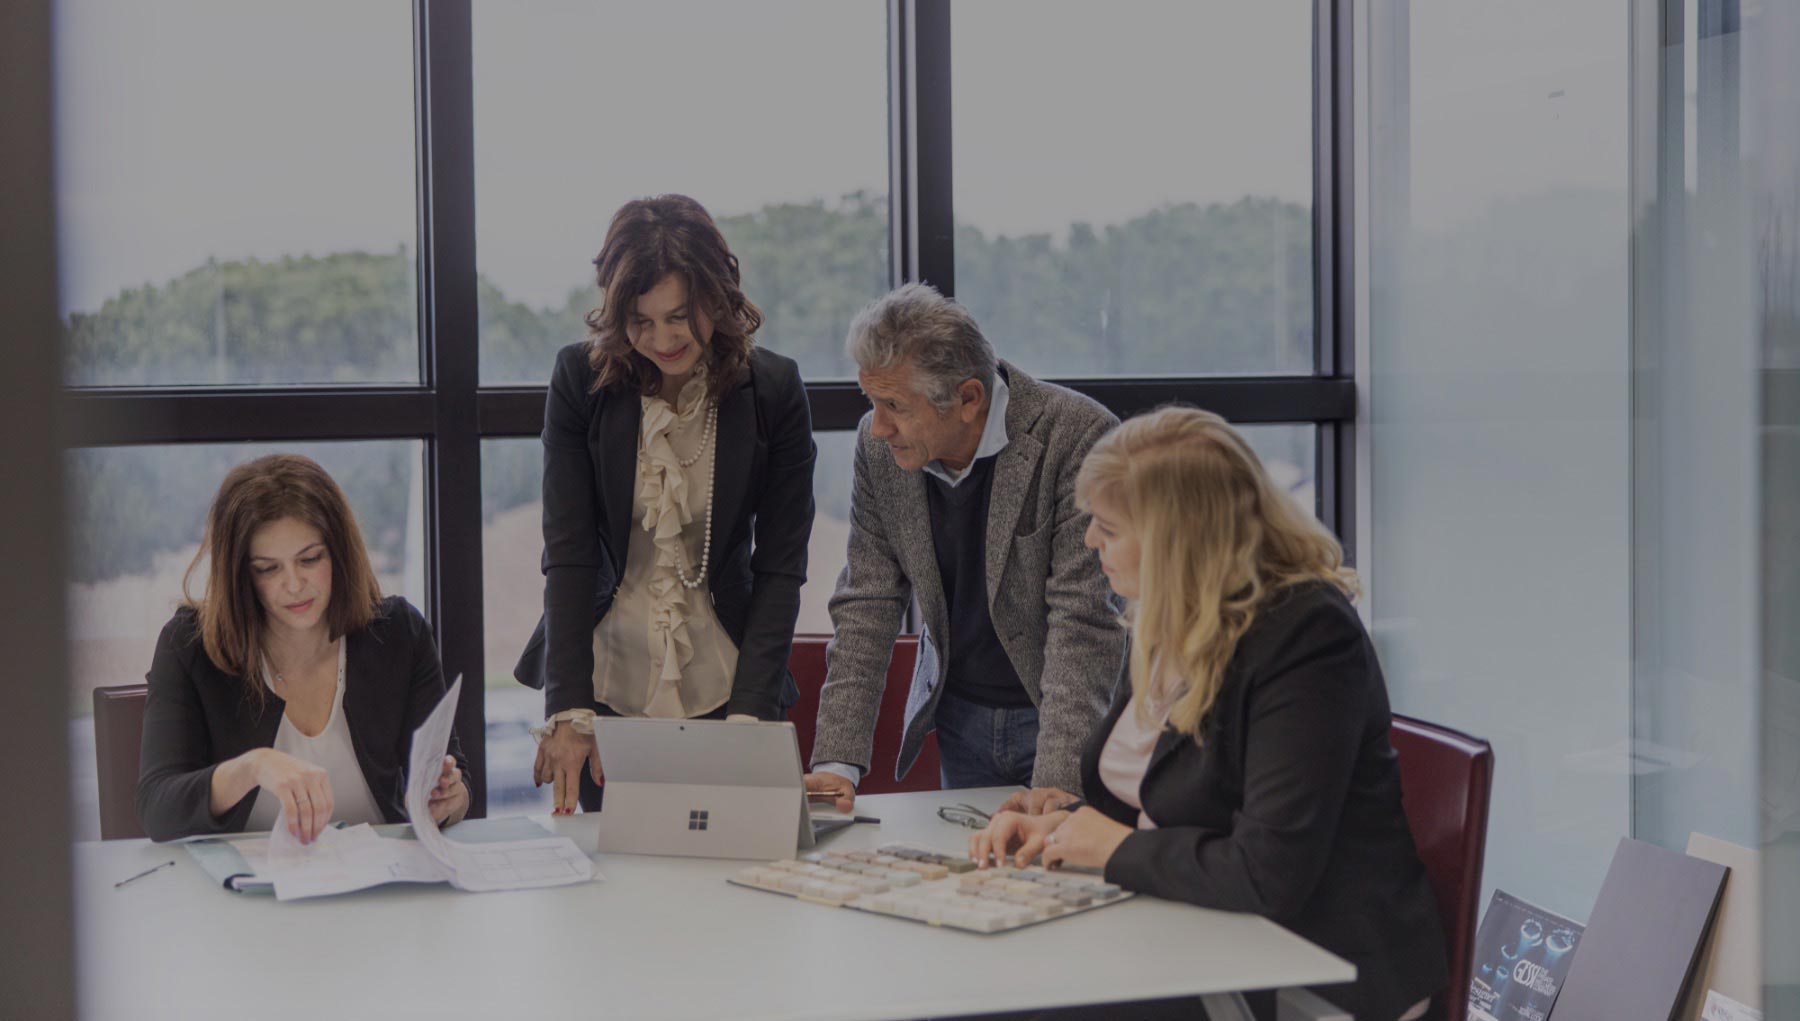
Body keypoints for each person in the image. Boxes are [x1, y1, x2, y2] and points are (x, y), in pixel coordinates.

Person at [969, 407, 1447, 1021]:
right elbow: (1168, 802)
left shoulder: (1308, 634)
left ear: (1178, 542)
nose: (1091, 541)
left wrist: (1109, 846)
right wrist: (1064, 828)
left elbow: (1266, 872)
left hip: (1312, 970)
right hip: (1198, 935)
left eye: (1110, 528)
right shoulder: (1175, 618)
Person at [515, 194, 815, 815]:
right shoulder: (580, 379)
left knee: (735, 876)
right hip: (604, 678)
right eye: (640, 320)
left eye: (680, 316)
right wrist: (567, 707)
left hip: (729, 678)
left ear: (718, 297)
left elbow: (781, 566)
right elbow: (568, 552)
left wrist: (751, 713)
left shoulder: (775, 391)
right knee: (607, 881)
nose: (662, 339)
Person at [804, 283, 1125, 810]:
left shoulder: (1078, 435)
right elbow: (868, 601)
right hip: (960, 717)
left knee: (1059, 873)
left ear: (968, 399)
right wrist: (836, 763)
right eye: (872, 401)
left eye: (894, 406)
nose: (877, 427)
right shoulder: (878, 448)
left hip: (1068, 717)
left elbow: (1083, 621)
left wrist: (1059, 786)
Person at [137, 454, 469, 844]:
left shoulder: (397, 632)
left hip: (378, 879)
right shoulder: (190, 645)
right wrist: (252, 767)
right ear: (240, 575)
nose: (294, 585)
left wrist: (451, 799)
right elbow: (157, 808)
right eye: (267, 568)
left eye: (310, 559)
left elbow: (454, 779)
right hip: (245, 889)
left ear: (339, 554)